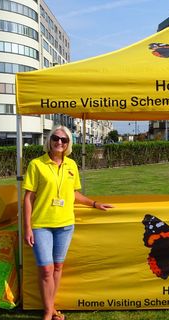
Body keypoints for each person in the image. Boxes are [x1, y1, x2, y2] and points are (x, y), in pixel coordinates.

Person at [23, 125, 113, 320]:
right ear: (49, 140)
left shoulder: (72, 165)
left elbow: (73, 194)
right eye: (56, 138)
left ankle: (51, 308)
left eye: (64, 140)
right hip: (42, 225)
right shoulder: (36, 164)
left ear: (69, 143)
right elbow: (28, 198)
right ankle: (48, 312)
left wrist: (94, 204)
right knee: (46, 270)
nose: (60, 142)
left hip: (65, 224)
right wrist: (28, 227)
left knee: (57, 268)